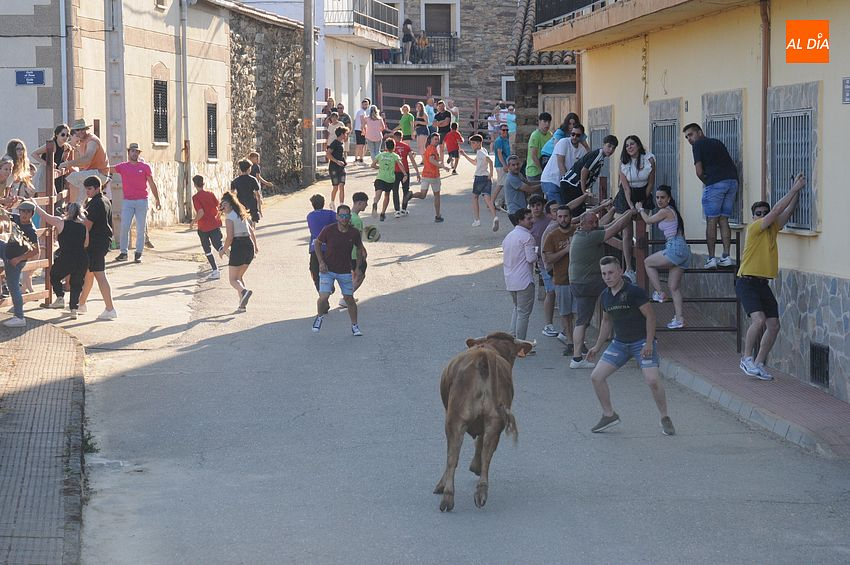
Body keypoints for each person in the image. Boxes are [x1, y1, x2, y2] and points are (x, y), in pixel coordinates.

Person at [586, 256, 675, 436]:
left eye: (611, 272)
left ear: (620, 271)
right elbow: (606, 321)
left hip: (641, 342)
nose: (608, 277)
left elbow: (651, 317)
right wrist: (597, 346)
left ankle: (665, 417)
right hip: (620, 344)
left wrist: (649, 343)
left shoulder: (634, 292)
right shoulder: (605, 296)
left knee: (652, 380)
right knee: (596, 377)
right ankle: (609, 415)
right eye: (604, 274)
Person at [736, 173, 806, 381]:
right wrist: (794, 188)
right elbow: (776, 210)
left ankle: (759, 363)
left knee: (773, 325)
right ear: (753, 217)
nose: (762, 215)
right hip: (746, 281)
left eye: (764, 213)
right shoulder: (754, 228)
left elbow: (787, 211)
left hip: (762, 284)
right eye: (758, 213)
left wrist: (796, 191)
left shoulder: (773, 228)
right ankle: (746, 358)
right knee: (758, 320)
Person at [568, 203, 637, 368]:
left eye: (595, 221)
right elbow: (615, 228)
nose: (595, 224)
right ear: (582, 224)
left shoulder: (581, 233)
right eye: (591, 222)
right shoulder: (590, 236)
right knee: (625, 284)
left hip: (577, 283)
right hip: (590, 282)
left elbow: (606, 224)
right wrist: (631, 213)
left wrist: (615, 210)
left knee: (581, 321)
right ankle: (629, 338)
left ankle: (576, 359)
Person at [684, 122, 739, 268]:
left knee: (711, 220)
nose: (689, 139)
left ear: (700, 132)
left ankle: (711, 258)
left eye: (691, 135)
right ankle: (726, 256)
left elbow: (699, 172)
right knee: (724, 219)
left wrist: (708, 182)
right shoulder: (717, 142)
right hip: (732, 182)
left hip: (715, 183)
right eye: (687, 137)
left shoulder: (698, 145)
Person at [637, 186, 691, 329]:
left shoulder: (665, 211)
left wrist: (640, 209)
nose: (659, 200)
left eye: (662, 197)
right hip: (683, 250)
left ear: (669, 198)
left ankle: (660, 293)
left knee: (647, 262)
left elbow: (648, 220)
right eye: (657, 197)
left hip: (674, 247)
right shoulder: (673, 211)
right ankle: (679, 318)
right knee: (674, 287)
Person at [313, 204, 366, 336]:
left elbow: (359, 249)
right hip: (328, 270)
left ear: (349, 217)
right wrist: (321, 262)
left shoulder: (354, 232)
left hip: (344, 270)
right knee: (324, 297)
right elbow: (317, 243)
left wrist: (358, 267)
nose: (344, 218)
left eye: (346, 215)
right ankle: (319, 316)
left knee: (349, 299)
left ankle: (355, 326)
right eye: (341, 215)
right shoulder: (329, 229)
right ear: (337, 217)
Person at [35, 201, 88, 318]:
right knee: (77, 284)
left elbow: (45, 216)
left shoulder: (61, 222)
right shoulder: (84, 226)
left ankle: (60, 297)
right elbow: (86, 243)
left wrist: (35, 205)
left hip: (66, 256)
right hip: (81, 257)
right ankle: (74, 309)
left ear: (68, 211)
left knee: (54, 275)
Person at [615, 135, 655, 281]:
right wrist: (631, 206)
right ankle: (629, 268)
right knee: (627, 232)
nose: (629, 147)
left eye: (632, 144)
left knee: (641, 230)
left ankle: (641, 266)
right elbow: (625, 187)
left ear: (638, 145)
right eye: (627, 146)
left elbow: (651, 182)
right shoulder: (623, 163)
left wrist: (642, 203)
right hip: (627, 194)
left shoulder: (649, 159)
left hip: (644, 192)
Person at [113, 143, 161, 263]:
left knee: (141, 228)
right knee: (124, 227)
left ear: (139, 153)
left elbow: (151, 183)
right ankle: (123, 253)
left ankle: (138, 253)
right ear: (129, 152)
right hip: (127, 201)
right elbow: (107, 169)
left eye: (136, 151)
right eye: (132, 151)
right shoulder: (122, 166)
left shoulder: (145, 167)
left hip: (141, 201)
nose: (134, 153)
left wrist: (157, 199)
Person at [77, 176, 117, 319]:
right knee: (89, 273)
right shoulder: (104, 200)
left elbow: (87, 225)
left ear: (97, 188)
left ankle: (110, 308)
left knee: (100, 275)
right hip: (101, 242)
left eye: (89, 189)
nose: (87, 192)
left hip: (96, 244)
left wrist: (75, 221)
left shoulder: (96, 203)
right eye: (86, 189)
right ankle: (81, 304)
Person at [542, 205, 579, 353]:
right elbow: (548, 258)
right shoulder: (552, 236)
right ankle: (570, 342)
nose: (563, 219)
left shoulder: (578, 231)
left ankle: (578, 341)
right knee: (565, 313)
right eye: (560, 217)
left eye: (566, 216)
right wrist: (565, 250)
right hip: (561, 280)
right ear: (556, 218)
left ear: (570, 217)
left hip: (578, 279)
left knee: (579, 314)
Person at [0, 201, 39, 327]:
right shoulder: (16, 218)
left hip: (15, 261)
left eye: (27, 212)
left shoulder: (31, 231)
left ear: (32, 214)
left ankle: (19, 317)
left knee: (13, 287)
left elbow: (35, 251)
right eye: (22, 211)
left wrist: (18, 259)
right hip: (7, 251)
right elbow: (4, 213)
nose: (24, 214)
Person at [560, 134, 619, 216]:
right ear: (603, 144)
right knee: (574, 212)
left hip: (573, 185)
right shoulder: (598, 155)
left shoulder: (600, 158)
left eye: (613, 148)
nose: (611, 150)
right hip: (571, 184)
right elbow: (584, 171)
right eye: (609, 146)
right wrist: (584, 191)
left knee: (577, 211)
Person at [219, 191, 258, 312]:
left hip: (238, 246)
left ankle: (244, 292)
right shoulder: (241, 215)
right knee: (239, 277)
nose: (223, 207)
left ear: (231, 204)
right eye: (222, 205)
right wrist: (255, 247)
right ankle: (242, 305)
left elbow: (230, 237)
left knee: (233, 280)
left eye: (225, 204)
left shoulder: (229, 218)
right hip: (249, 246)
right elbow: (251, 232)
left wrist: (223, 250)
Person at [502, 207, 537, 341]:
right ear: (520, 221)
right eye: (529, 218)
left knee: (517, 309)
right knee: (523, 314)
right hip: (524, 281)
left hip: (510, 280)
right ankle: (520, 343)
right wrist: (537, 252)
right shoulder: (527, 237)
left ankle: (512, 339)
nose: (532, 221)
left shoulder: (508, 236)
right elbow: (531, 258)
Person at [58, 118, 109, 206]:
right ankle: (75, 208)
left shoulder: (92, 141)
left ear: (86, 129)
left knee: (71, 177)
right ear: (75, 132)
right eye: (78, 129)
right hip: (91, 174)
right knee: (80, 200)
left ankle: (66, 204)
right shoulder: (82, 142)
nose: (80, 131)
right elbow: (82, 162)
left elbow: (87, 158)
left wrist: (67, 164)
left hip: (99, 174)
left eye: (82, 129)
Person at [403, 132, 449, 222]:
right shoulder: (432, 149)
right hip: (434, 176)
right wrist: (442, 166)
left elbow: (428, 160)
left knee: (422, 195)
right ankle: (438, 216)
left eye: (438, 139)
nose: (437, 141)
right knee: (437, 196)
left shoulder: (428, 148)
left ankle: (411, 195)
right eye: (435, 139)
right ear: (430, 140)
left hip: (425, 175)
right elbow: (431, 160)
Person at [459, 134, 499, 231]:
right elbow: (475, 163)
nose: (471, 145)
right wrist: (465, 155)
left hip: (480, 178)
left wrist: (491, 173)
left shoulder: (481, 152)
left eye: (473, 143)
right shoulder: (483, 150)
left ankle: (477, 219)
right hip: (486, 178)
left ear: (478, 143)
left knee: (475, 197)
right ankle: (495, 217)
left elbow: (490, 161)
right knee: (487, 199)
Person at [541, 123, 587, 205]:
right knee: (557, 208)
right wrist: (566, 184)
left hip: (563, 183)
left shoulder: (582, 150)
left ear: (582, 136)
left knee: (564, 208)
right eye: (573, 134)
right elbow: (561, 164)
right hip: (551, 180)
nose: (574, 137)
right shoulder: (563, 142)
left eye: (578, 135)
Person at [190, 175, 224, 280]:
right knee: (218, 245)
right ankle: (231, 257)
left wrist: (193, 222)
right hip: (214, 224)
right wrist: (218, 216)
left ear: (195, 185)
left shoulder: (196, 197)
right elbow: (220, 206)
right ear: (203, 183)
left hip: (203, 227)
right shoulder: (210, 194)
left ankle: (215, 270)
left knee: (207, 249)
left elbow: (201, 212)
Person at [31, 124, 75, 198]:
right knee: (44, 200)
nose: (65, 137)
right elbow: (34, 154)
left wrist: (61, 167)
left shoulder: (65, 147)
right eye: (63, 134)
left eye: (67, 135)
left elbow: (62, 161)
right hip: (43, 174)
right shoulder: (52, 144)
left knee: (54, 199)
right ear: (57, 134)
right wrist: (47, 163)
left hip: (51, 175)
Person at [341, 192, 369, 309]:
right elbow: (357, 239)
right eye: (365, 203)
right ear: (359, 203)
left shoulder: (348, 217)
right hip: (354, 253)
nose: (366, 205)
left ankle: (348, 297)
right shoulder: (357, 220)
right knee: (360, 275)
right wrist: (363, 251)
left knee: (353, 275)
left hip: (346, 252)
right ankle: (346, 298)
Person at [307, 194, 339, 293]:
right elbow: (339, 221)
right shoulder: (330, 214)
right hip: (329, 246)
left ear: (312, 204)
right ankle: (329, 284)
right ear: (324, 203)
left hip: (314, 248)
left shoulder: (310, 216)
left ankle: (320, 291)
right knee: (330, 268)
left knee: (314, 269)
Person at [370, 138, 401, 221]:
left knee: (378, 193)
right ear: (394, 147)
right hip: (390, 179)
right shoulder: (395, 156)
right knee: (387, 195)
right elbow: (400, 164)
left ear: (385, 147)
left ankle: (375, 203)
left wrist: (379, 167)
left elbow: (372, 165)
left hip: (380, 177)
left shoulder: (380, 155)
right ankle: (383, 213)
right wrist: (405, 174)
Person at [391, 130, 420, 217]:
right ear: (402, 137)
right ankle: (404, 209)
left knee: (395, 191)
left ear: (394, 137)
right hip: (405, 171)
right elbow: (412, 159)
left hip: (395, 171)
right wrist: (417, 172)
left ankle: (397, 210)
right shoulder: (406, 147)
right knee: (405, 190)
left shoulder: (391, 146)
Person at [502, 155, 541, 219]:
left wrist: (542, 181)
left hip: (520, 210)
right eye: (513, 165)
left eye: (517, 164)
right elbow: (530, 189)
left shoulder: (518, 174)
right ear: (509, 166)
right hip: (515, 212)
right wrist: (543, 185)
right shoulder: (511, 178)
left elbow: (529, 183)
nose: (516, 167)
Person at [230, 159, 262, 224]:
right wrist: (259, 209)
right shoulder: (253, 179)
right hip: (252, 204)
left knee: (243, 223)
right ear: (249, 169)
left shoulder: (235, 181)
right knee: (253, 223)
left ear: (240, 169)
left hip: (241, 204)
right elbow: (258, 195)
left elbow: (232, 195)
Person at [326, 126, 349, 209]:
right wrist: (337, 161)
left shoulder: (341, 143)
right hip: (334, 167)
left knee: (342, 185)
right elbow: (328, 154)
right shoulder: (334, 143)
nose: (346, 135)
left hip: (341, 168)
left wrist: (343, 161)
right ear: (342, 134)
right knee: (335, 187)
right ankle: (332, 202)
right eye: (345, 134)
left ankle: (341, 204)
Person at [525, 112, 552, 182]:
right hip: (534, 171)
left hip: (545, 169)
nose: (547, 124)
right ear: (539, 122)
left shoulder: (550, 135)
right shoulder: (535, 135)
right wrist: (542, 169)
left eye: (549, 122)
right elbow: (533, 155)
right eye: (545, 121)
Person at [491, 123, 511, 210]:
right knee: (500, 184)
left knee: (502, 184)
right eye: (503, 130)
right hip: (501, 165)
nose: (505, 131)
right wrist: (504, 165)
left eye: (506, 130)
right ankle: (492, 202)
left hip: (505, 164)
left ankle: (494, 202)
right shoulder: (499, 141)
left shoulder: (506, 139)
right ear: (500, 131)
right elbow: (499, 154)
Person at [353, 98, 371, 163]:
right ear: (362, 105)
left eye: (366, 104)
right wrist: (364, 130)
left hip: (358, 129)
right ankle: (360, 158)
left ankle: (357, 157)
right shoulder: (361, 111)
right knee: (361, 144)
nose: (365, 106)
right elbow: (362, 121)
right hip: (360, 129)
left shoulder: (362, 111)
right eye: (364, 104)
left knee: (359, 144)